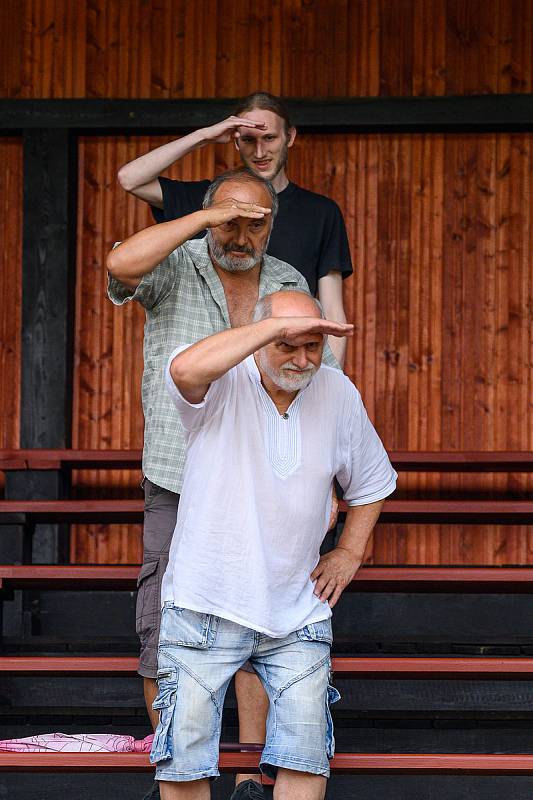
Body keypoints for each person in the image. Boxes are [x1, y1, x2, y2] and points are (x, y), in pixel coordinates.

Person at [106, 168, 336, 800]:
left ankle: (253, 773)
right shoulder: (177, 261)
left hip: (267, 482)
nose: (242, 234)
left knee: (263, 619)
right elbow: (120, 263)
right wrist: (206, 217)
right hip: (179, 473)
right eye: (230, 220)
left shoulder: (288, 280)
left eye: (255, 222)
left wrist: (332, 475)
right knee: (165, 624)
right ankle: (174, 762)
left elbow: (320, 377)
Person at [152, 290, 397, 800]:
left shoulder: (338, 391)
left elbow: (373, 482)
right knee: (185, 762)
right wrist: (269, 329)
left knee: (307, 757)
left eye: (313, 345)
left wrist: (349, 552)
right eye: (289, 346)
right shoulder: (222, 378)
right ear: (259, 337)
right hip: (204, 602)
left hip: (298, 609)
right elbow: (182, 371)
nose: (304, 359)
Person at [117, 91, 353, 366]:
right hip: (204, 365)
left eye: (269, 138)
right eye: (249, 140)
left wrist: (330, 383)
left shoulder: (321, 212)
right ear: (235, 142)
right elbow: (130, 179)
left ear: (289, 137)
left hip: (280, 367)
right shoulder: (206, 202)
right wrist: (203, 136)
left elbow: (332, 310)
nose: (260, 152)